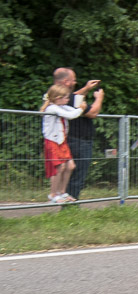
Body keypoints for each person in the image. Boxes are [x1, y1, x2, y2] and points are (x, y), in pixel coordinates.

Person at [53, 68, 103, 201]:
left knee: (70, 173)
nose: (75, 82)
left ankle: (67, 202)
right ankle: (71, 206)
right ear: (66, 81)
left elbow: (73, 97)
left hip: (70, 139)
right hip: (80, 140)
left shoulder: (57, 96)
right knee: (78, 175)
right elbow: (93, 113)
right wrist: (99, 98)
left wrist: (86, 88)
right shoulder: (67, 98)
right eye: (73, 80)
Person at [40, 83, 86, 203]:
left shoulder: (60, 106)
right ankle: (53, 194)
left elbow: (72, 110)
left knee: (70, 166)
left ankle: (62, 192)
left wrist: (80, 108)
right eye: (66, 97)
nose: (68, 99)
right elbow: (71, 115)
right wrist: (81, 109)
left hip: (61, 141)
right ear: (57, 98)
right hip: (53, 141)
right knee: (60, 167)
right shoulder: (52, 108)